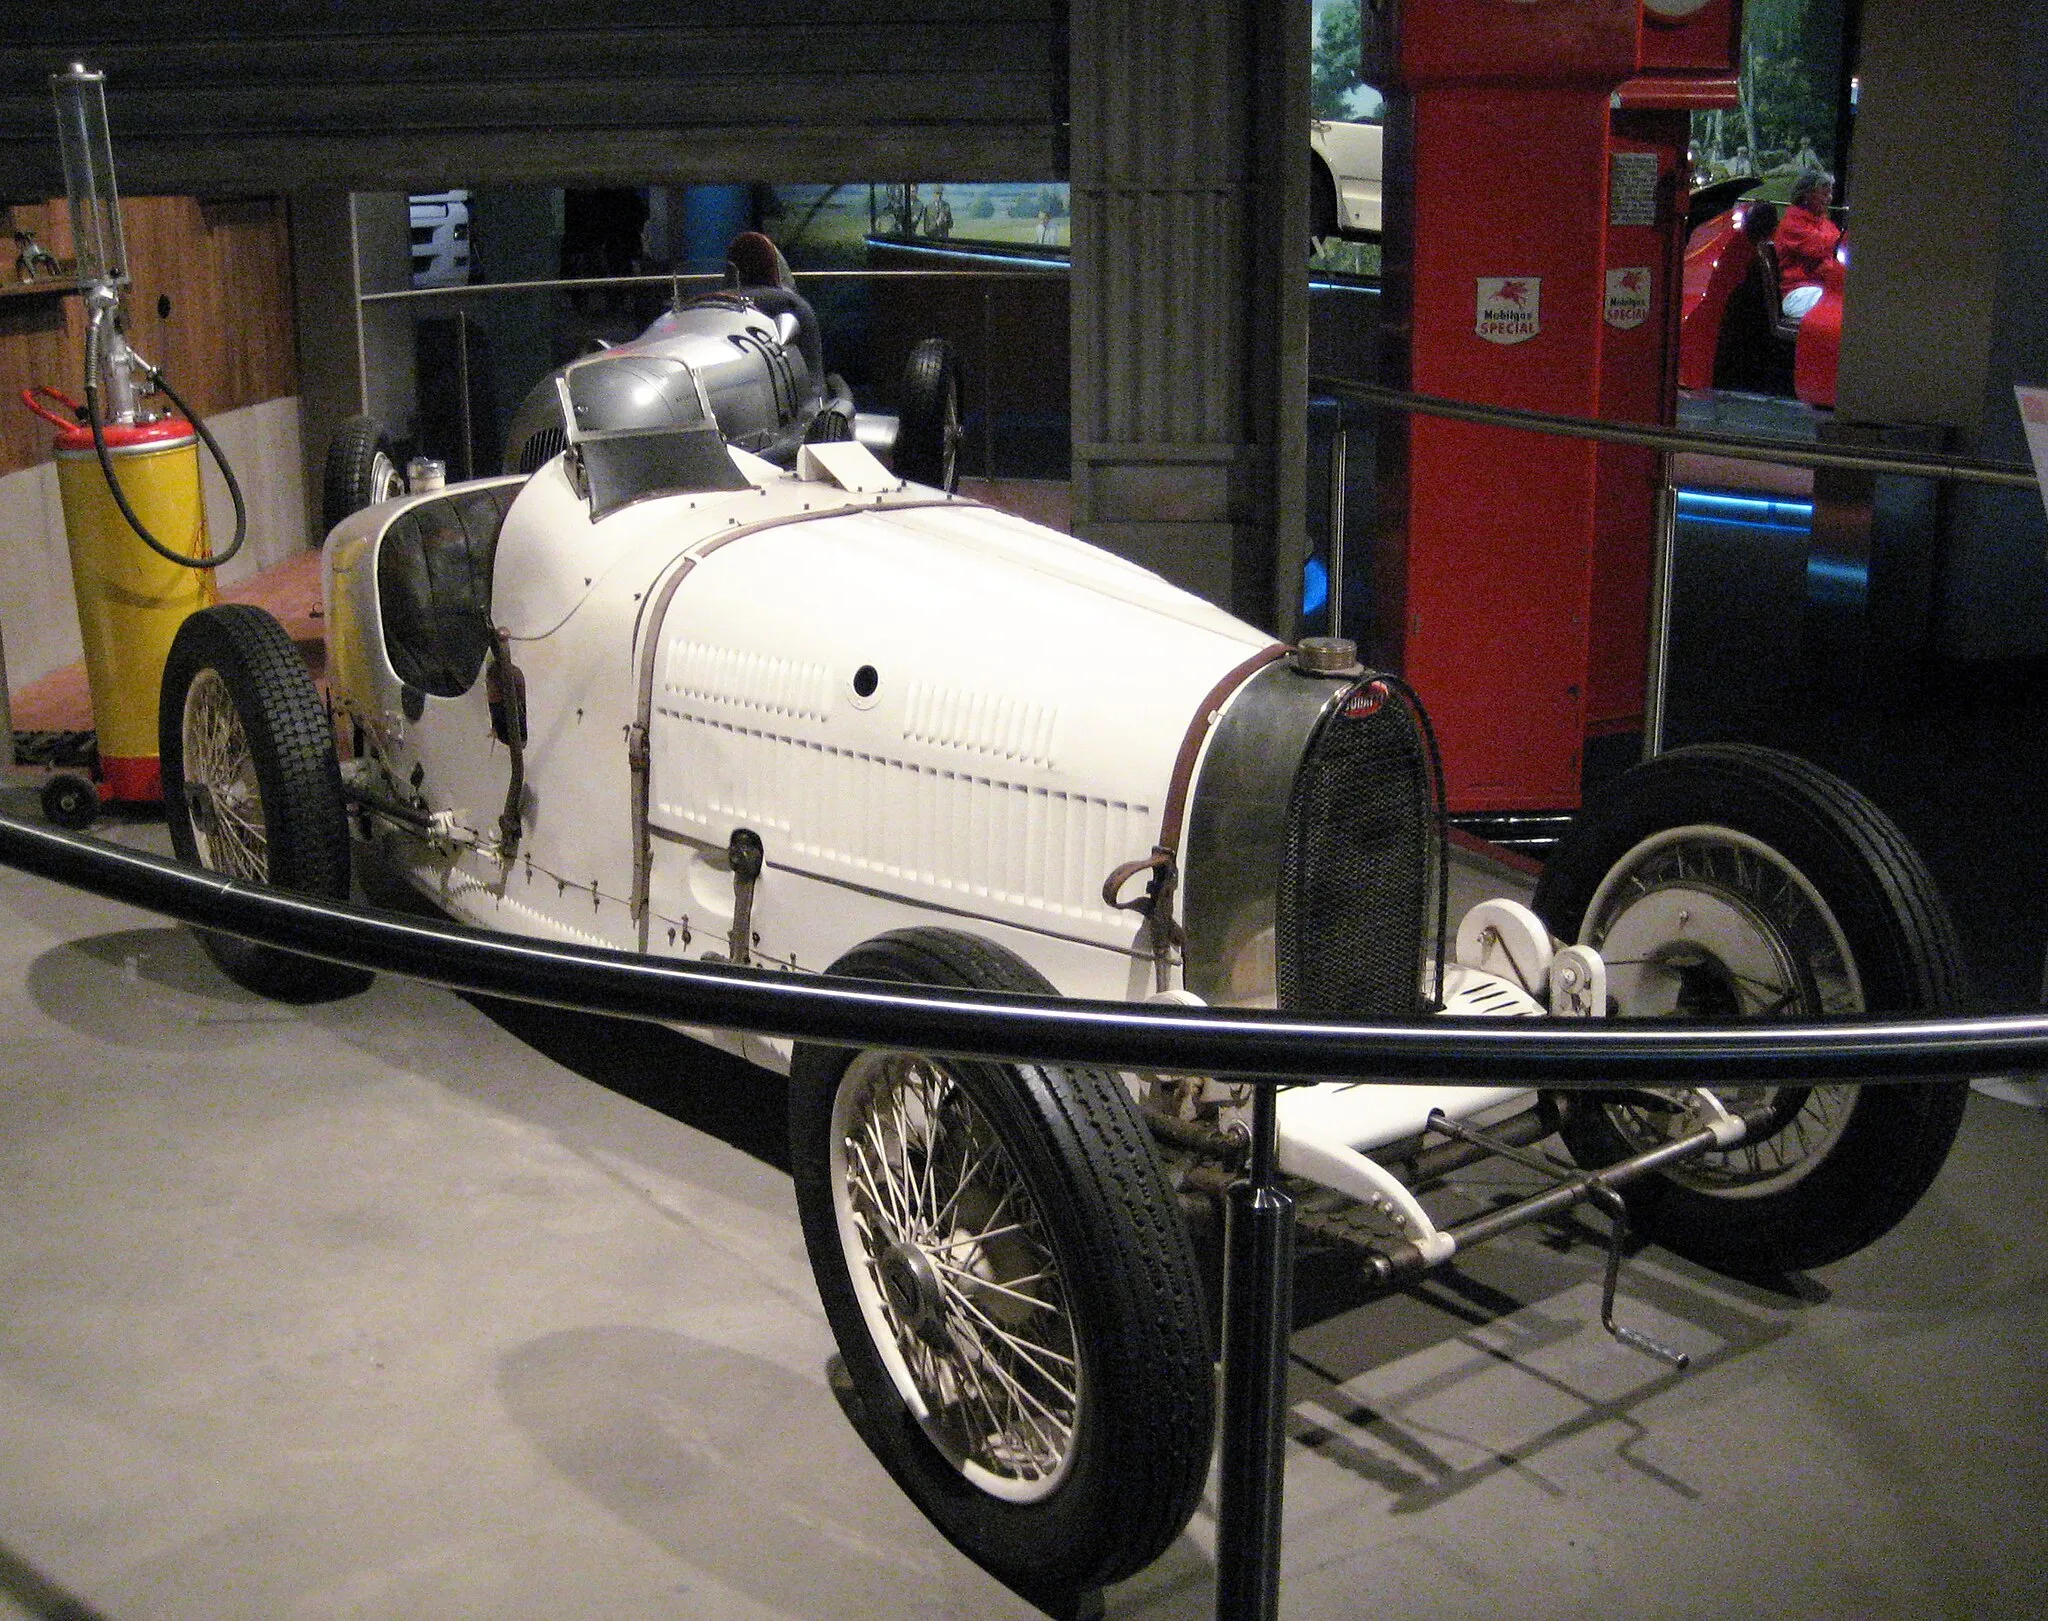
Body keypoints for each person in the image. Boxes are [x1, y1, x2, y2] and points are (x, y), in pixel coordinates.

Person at [1771, 170, 1842, 321]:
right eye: (1824, 194)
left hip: (1820, 287)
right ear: (1807, 195)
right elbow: (1823, 246)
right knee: (1844, 306)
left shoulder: (1822, 221)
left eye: (1830, 194)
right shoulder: (1792, 224)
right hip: (1798, 293)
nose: (1829, 199)